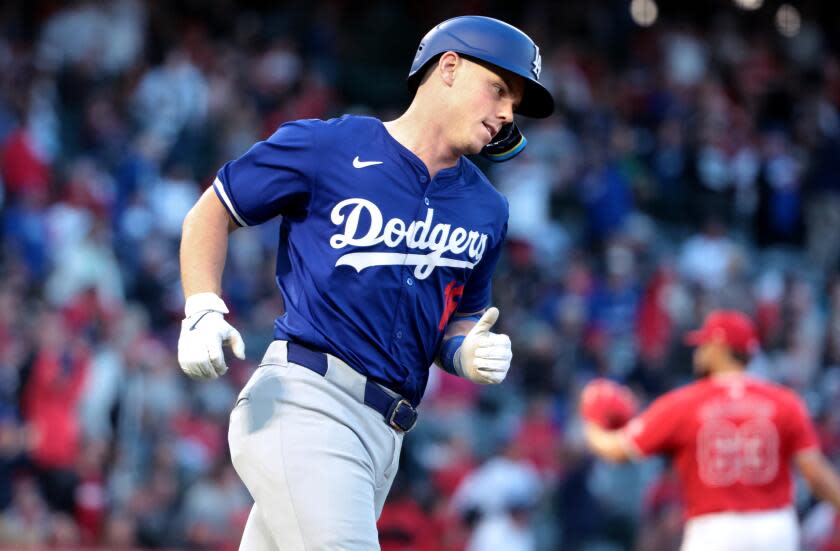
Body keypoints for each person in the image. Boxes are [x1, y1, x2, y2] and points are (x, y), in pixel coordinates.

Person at [177, 15, 554, 550]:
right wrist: (202, 308)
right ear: (448, 68)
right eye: (499, 89)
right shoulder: (329, 146)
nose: (507, 113)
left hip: (386, 438)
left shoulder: (487, 209)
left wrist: (466, 350)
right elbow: (212, 212)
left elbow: (459, 319)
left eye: (513, 103)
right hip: (305, 404)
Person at [582, 309, 840, 551]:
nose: (699, 352)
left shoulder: (685, 403)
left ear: (719, 348)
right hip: (776, 528)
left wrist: (592, 423)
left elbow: (617, 449)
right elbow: (815, 473)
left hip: (716, 529)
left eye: (704, 345)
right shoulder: (784, 401)